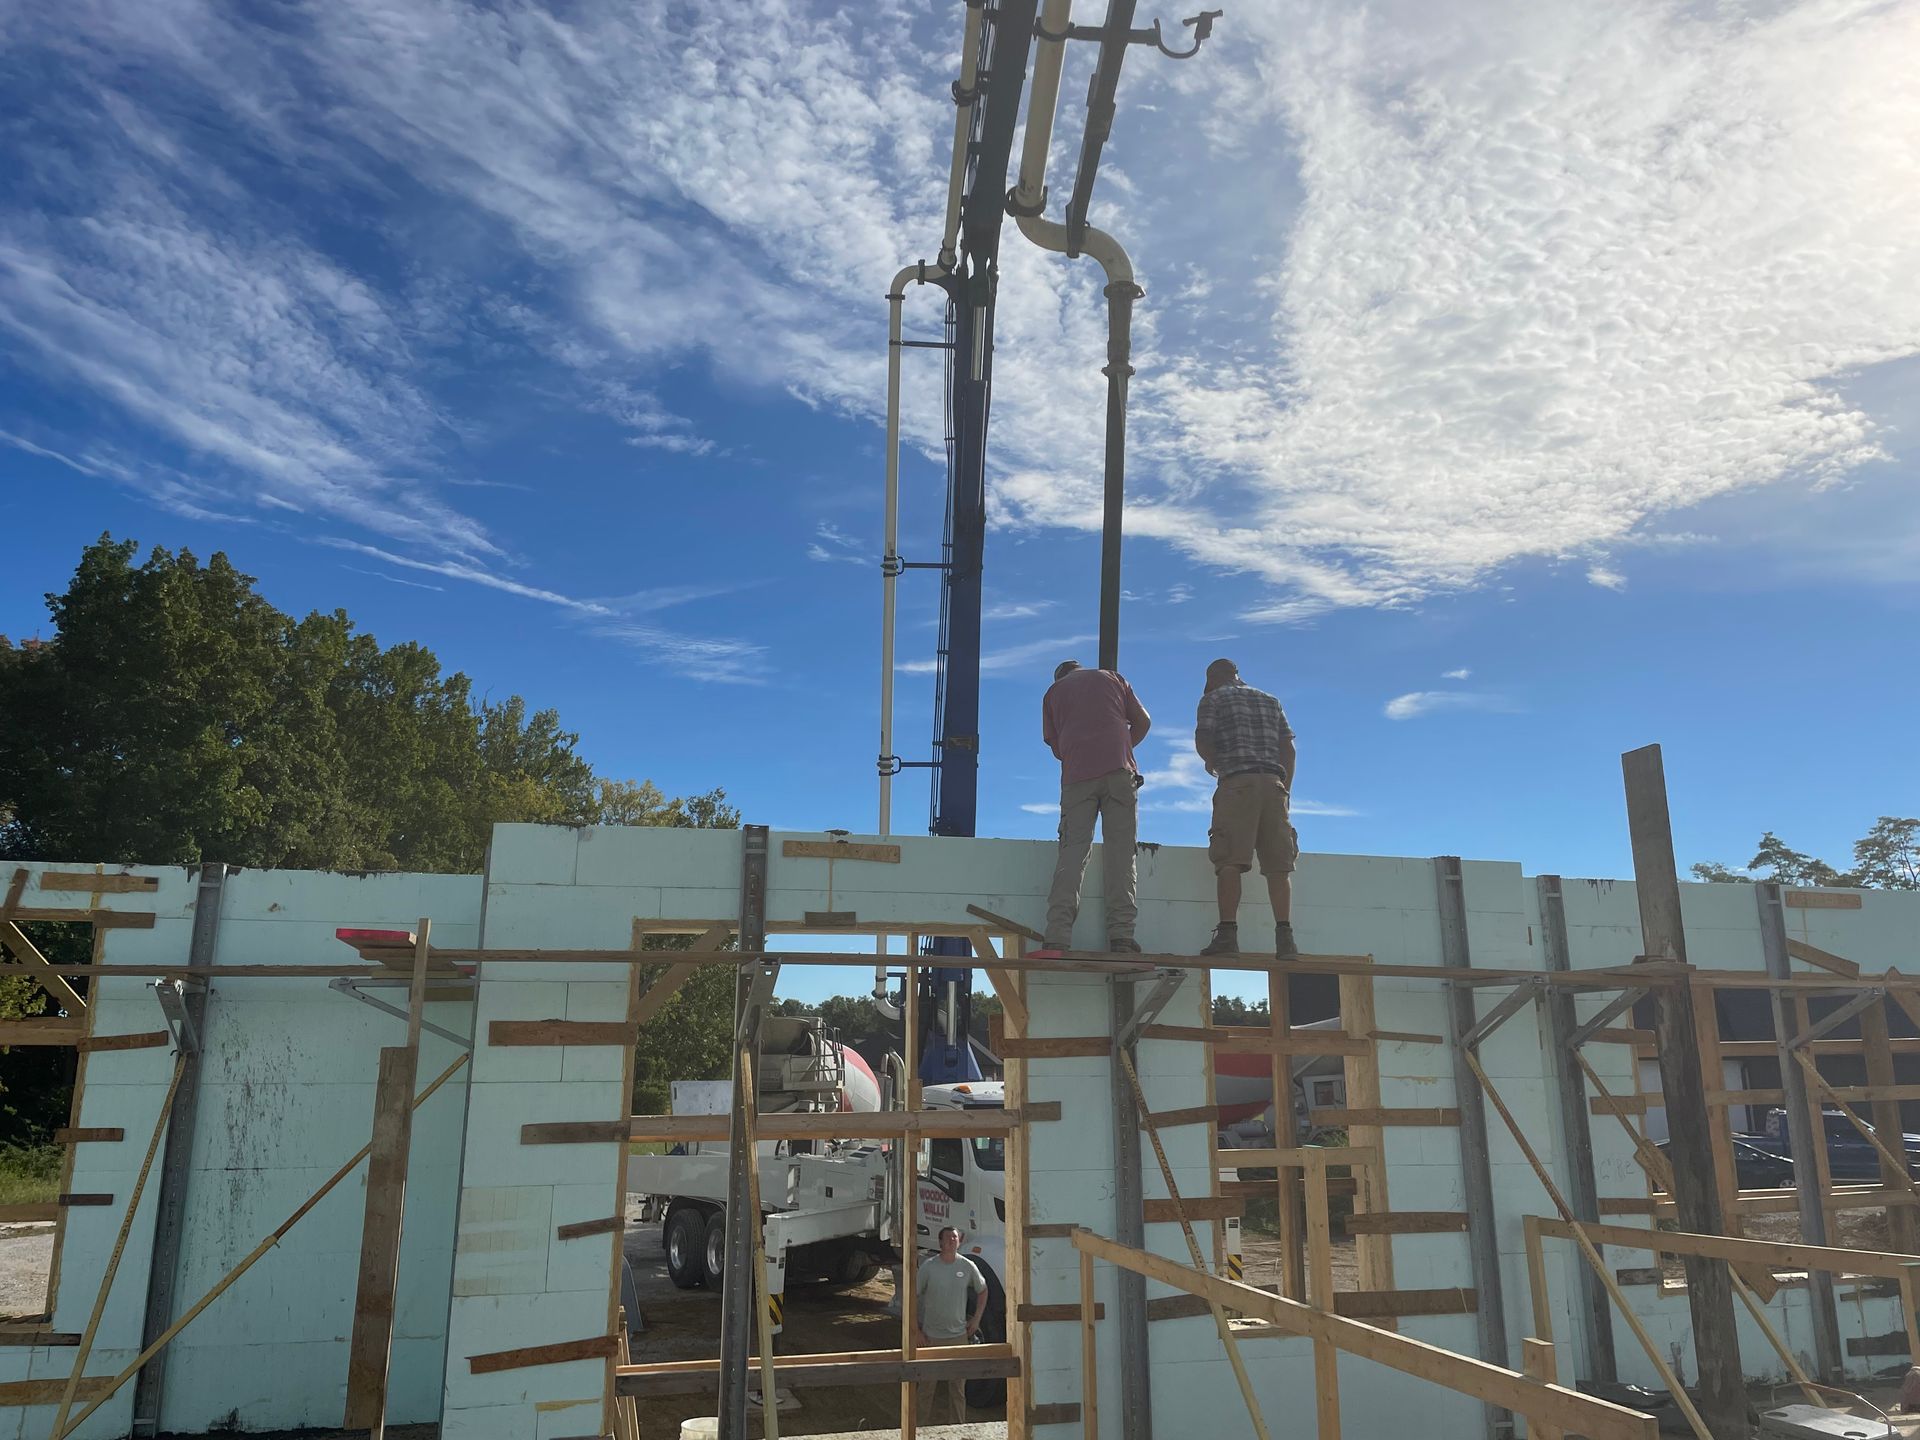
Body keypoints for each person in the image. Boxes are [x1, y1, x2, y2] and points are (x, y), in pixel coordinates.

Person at [1037, 659, 1151, 954]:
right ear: (1079, 668)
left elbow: (1057, 750)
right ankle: (1122, 937)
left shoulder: (1052, 693)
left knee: (1073, 853)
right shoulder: (1113, 678)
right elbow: (1143, 722)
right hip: (1119, 772)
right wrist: (1120, 747)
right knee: (1122, 854)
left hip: (1077, 779)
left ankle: (1057, 936)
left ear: (1058, 675)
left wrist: (1084, 751)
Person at [1193, 657, 1299, 958]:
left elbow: (1203, 738)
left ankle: (1227, 936)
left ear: (1212, 679)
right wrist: (1285, 788)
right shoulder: (1270, 700)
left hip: (1237, 783)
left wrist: (1211, 760)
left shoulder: (1212, 699)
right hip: (1274, 785)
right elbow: (1288, 748)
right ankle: (1285, 940)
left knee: (1229, 861)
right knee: (1279, 867)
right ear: (1238, 675)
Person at [913, 1224, 989, 1424]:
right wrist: (916, 1330)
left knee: (957, 1390)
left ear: (959, 1241)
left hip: (958, 1338)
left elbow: (983, 1290)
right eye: (947, 1238)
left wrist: (976, 1319)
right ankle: (919, 1430)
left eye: (955, 1238)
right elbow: (912, 1297)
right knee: (926, 1389)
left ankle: (958, 1429)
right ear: (940, 1243)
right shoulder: (929, 1267)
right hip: (931, 1338)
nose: (951, 1241)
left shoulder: (967, 1266)